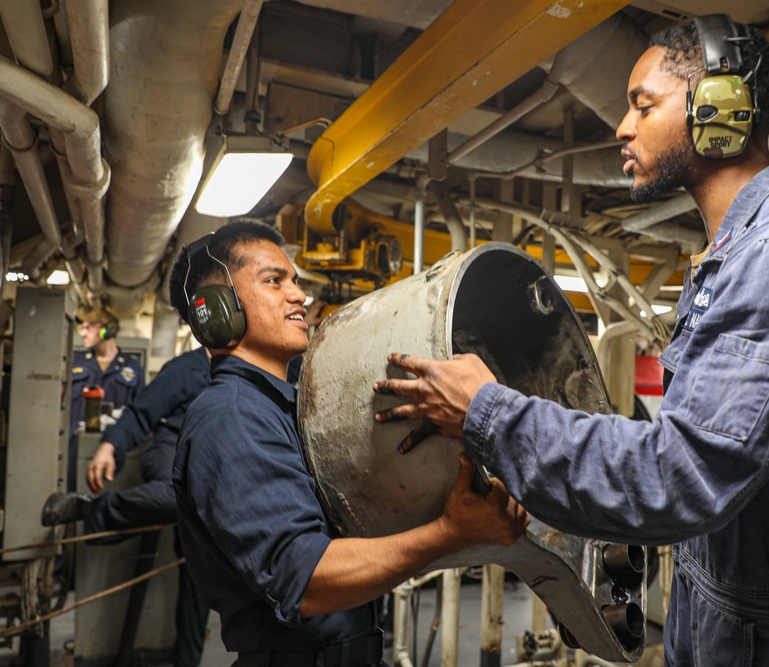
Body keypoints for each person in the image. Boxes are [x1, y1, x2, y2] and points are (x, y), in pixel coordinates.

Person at [372, 15, 769, 667]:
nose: (623, 127)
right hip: (740, 628)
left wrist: (488, 412)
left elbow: (681, 476)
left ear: (720, 113)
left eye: (643, 105)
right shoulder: (731, 254)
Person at [167, 220, 528, 666]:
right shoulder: (231, 416)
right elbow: (306, 578)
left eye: (295, 281)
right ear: (217, 309)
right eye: (274, 281)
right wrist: (450, 533)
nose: (298, 295)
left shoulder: (283, 408)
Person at [42, 345, 213, 667]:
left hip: (210, 467)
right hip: (171, 450)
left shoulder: (252, 365)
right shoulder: (184, 369)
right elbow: (140, 412)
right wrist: (110, 446)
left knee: (198, 568)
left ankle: (187, 661)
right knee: (185, 495)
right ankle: (91, 510)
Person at [68, 309, 145, 492]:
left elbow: (140, 414)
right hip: (74, 448)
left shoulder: (132, 368)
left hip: (113, 449)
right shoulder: (74, 363)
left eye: (88, 327)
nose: (83, 333)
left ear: (107, 331)